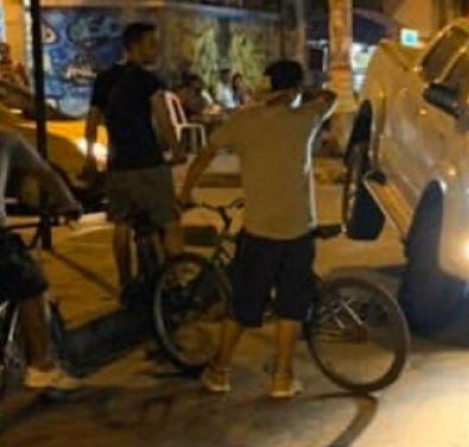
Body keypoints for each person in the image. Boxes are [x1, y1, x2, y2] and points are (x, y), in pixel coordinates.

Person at [179, 59, 336, 398]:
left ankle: (219, 372)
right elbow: (331, 96)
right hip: (298, 232)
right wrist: (300, 94)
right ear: (295, 89)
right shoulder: (305, 119)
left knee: (243, 305)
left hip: (259, 232)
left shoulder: (244, 121)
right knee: (291, 308)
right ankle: (282, 377)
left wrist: (185, 192)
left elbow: (206, 153)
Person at [84, 22, 186, 297]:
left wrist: (91, 160)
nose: (156, 49)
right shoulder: (148, 80)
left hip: (119, 167)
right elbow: (163, 118)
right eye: (152, 44)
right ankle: (177, 280)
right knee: (169, 221)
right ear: (135, 46)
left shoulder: (105, 80)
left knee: (121, 224)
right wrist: (177, 150)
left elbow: (92, 122)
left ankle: (125, 282)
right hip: (149, 163)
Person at [0, 128, 83, 390]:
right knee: (31, 284)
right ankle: (41, 366)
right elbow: (46, 175)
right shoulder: (7, 140)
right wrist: (69, 204)